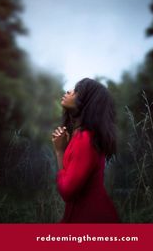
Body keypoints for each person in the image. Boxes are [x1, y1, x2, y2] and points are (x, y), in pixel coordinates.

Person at [51, 78, 120, 223]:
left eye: (77, 91)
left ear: (88, 103)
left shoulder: (85, 139)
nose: (69, 91)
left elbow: (67, 191)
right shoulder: (84, 137)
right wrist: (61, 151)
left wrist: (59, 152)